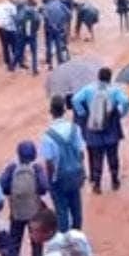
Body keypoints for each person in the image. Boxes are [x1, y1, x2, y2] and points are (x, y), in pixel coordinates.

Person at [72, 68, 129, 195]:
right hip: (111, 126)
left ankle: (97, 184)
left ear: (98, 77)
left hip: (93, 125)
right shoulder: (114, 90)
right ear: (110, 78)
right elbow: (126, 101)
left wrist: (83, 113)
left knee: (97, 156)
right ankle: (114, 181)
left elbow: (75, 100)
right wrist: (122, 112)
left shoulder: (88, 89)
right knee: (113, 155)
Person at [0, 141, 49, 256]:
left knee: (13, 244)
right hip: (34, 211)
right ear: (34, 154)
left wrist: (12, 193)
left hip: (17, 212)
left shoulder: (12, 168)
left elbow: (2, 186)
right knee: (37, 244)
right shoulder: (37, 168)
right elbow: (44, 187)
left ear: (18, 154)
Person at [40, 96, 86, 233]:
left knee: (61, 210)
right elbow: (81, 153)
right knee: (76, 206)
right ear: (65, 110)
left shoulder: (47, 136)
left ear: (51, 111)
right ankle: (77, 233)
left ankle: (65, 238)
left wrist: (51, 180)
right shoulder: (75, 128)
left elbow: (49, 162)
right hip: (75, 173)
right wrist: (81, 170)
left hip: (59, 176)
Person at [0, 0, 19, 72]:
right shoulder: (12, 6)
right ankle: (14, 63)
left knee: (5, 46)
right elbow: (15, 18)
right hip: (10, 29)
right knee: (14, 45)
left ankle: (7, 63)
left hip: (1, 28)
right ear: (11, 0)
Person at [42, 0, 71, 69]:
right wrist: (64, 22)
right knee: (59, 45)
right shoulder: (60, 4)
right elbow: (69, 13)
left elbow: (46, 17)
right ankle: (60, 62)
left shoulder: (46, 7)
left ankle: (49, 63)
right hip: (59, 28)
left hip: (49, 29)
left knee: (49, 45)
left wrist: (50, 24)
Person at [16, 0, 42, 76]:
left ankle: (15, 65)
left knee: (19, 50)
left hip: (23, 34)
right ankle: (34, 70)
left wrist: (20, 30)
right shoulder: (35, 13)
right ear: (33, 5)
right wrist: (35, 30)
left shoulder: (22, 11)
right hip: (32, 35)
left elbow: (18, 20)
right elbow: (38, 22)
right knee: (34, 53)